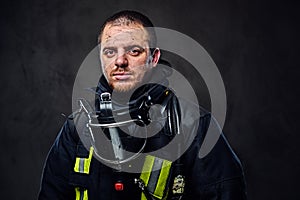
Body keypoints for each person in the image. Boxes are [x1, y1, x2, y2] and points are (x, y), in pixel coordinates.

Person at [38, 10, 247, 200]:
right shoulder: (79, 126)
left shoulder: (191, 124)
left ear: (154, 57)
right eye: (110, 52)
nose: (120, 61)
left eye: (134, 51)